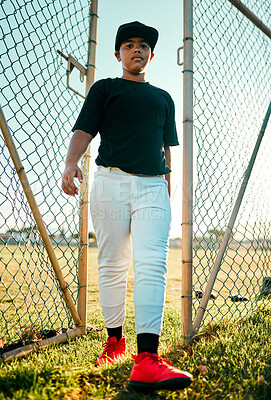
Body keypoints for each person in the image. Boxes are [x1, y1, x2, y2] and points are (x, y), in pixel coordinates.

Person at [62, 21, 192, 392]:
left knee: (152, 263)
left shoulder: (163, 98)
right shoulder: (106, 88)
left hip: (153, 185)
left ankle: (147, 359)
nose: (137, 50)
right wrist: (71, 163)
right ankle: (115, 341)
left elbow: (166, 148)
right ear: (118, 53)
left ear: (152, 55)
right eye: (129, 44)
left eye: (143, 46)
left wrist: (168, 185)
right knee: (113, 262)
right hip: (110, 182)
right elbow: (85, 129)